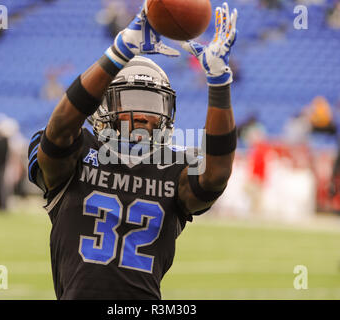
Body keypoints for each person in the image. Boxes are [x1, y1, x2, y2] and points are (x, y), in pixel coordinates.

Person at [28, 2, 238, 300]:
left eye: (153, 106)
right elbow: (58, 133)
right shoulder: (79, 152)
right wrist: (119, 52)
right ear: (102, 106)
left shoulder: (175, 166)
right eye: (130, 102)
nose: (142, 115)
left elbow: (216, 175)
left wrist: (219, 82)